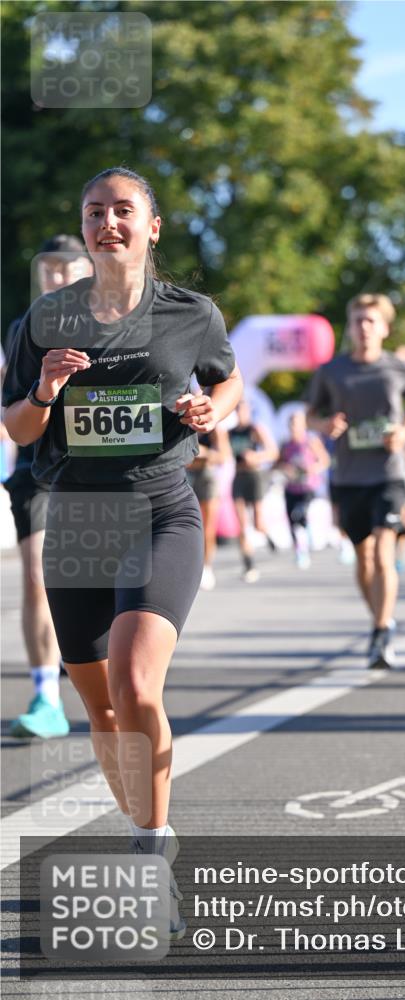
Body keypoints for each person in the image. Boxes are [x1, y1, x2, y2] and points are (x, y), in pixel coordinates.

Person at [2, 166, 243, 937]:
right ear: (83, 227)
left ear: (153, 226)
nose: (108, 222)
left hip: (160, 512)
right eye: (95, 212)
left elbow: (230, 381)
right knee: (100, 708)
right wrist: (42, 391)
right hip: (77, 521)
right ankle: (143, 825)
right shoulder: (46, 318)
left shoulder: (189, 313)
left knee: (136, 684)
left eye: (124, 211)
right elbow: (17, 430)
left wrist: (211, 410)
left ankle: (150, 852)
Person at [3, 235, 93, 739]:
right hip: (37, 473)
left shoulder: (119, 321)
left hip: (100, 475)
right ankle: (46, 697)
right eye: (48, 271)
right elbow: (7, 404)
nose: (55, 278)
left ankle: (106, 677)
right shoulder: (25, 327)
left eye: (66, 269)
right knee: (38, 575)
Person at [307, 292, 405, 668]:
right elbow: (310, 413)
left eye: (371, 321)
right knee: (364, 556)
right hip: (349, 475)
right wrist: (324, 425)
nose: (363, 327)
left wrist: (404, 431)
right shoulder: (332, 370)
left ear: (385, 328)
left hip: (389, 473)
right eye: (358, 320)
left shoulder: (399, 369)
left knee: (385, 550)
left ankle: (381, 629)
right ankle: (379, 618)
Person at [229, 398, 279, 582]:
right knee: (242, 524)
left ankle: (268, 537)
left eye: (243, 410)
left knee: (258, 522)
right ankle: (249, 565)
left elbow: (273, 452)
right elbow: (226, 454)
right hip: (239, 477)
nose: (240, 414)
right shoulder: (230, 432)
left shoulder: (256, 429)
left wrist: (256, 457)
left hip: (254, 476)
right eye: (237, 410)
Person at [186, 392, 232, 589]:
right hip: (187, 474)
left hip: (206, 476)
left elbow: (223, 456)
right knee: (185, 525)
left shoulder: (214, 427)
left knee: (208, 525)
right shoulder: (182, 422)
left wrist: (203, 454)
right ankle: (188, 568)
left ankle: (207, 567)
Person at [278, 408, 330, 568]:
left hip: (308, 486)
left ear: (303, 425)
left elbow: (325, 461)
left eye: (296, 423)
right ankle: (300, 552)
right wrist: (286, 468)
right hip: (291, 487)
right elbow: (279, 463)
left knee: (300, 515)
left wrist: (312, 468)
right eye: (291, 423)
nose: (293, 426)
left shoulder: (311, 441)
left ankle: (307, 545)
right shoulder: (286, 444)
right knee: (292, 520)